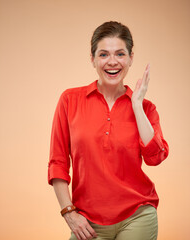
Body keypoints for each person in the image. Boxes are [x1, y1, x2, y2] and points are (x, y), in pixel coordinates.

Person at [48, 21, 169, 240]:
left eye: (120, 54)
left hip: (137, 214)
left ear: (131, 57)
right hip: (87, 220)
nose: (112, 62)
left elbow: (155, 158)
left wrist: (137, 104)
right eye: (103, 54)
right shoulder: (69, 100)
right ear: (92, 58)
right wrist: (69, 212)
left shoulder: (146, 108)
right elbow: (58, 163)